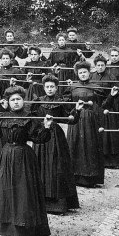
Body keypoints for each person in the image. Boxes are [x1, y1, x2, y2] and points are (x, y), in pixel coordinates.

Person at [0, 86, 53, 236]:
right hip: (7, 157)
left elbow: (39, 139)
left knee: (24, 193)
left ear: (23, 101)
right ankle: (9, 231)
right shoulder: (2, 117)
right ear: (8, 102)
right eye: (13, 100)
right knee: (8, 192)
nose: (16, 102)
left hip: (24, 157)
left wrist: (46, 127)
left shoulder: (29, 117)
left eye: (19, 99)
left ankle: (26, 232)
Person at [32, 74, 83, 214]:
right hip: (41, 135)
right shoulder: (37, 101)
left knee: (57, 166)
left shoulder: (62, 101)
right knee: (41, 164)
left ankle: (58, 204)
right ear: (43, 88)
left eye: (52, 87)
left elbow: (71, 120)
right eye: (47, 87)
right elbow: (31, 117)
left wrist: (77, 110)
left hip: (56, 137)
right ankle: (41, 201)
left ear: (56, 88)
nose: (49, 89)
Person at [66, 61, 108, 187]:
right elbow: (66, 103)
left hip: (90, 119)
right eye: (80, 73)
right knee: (75, 144)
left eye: (85, 72)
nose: (83, 74)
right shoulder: (72, 87)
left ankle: (90, 178)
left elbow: (103, 103)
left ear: (89, 73)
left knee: (90, 145)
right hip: (76, 119)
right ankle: (75, 176)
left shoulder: (95, 87)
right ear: (77, 74)